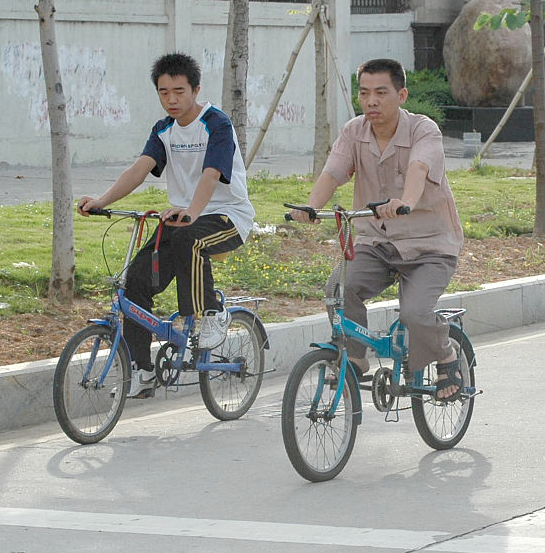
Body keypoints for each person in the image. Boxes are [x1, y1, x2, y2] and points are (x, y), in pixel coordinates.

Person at [77, 52, 255, 397]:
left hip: (227, 216)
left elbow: (212, 173)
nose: (171, 99)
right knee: (136, 281)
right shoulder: (163, 130)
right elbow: (140, 169)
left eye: (179, 91)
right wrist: (101, 201)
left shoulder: (216, 123)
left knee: (189, 238)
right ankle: (142, 371)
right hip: (183, 219)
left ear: (196, 89)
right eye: (163, 92)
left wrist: (192, 210)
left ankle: (210, 316)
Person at [287, 58, 465, 401]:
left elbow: (419, 169)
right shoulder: (354, 131)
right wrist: (311, 206)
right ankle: (354, 357)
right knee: (339, 289)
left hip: (429, 245)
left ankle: (445, 353)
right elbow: (333, 172)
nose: (371, 101)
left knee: (415, 313)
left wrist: (404, 201)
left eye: (381, 93)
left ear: (401, 95)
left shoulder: (423, 130)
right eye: (364, 93)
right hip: (377, 241)